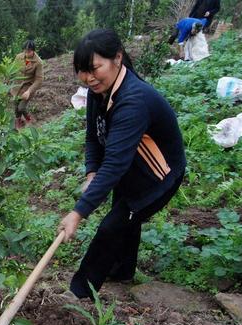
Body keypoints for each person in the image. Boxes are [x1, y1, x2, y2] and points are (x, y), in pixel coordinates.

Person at [58, 29, 186, 299]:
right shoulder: (99, 91)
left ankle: (79, 294)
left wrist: (78, 212)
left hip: (157, 176)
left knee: (113, 226)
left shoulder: (133, 101)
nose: (88, 78)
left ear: (117, 58)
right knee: (126, 218)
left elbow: (115, 164)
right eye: (82, 71)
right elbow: (94, 136)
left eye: (94, 69)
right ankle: (122, 272)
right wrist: (92, 171)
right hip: (131, 167)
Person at [10, 40, 44, 130]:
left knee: (21, 108)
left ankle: (28, 119)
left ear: (33, 51)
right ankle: (18, 121)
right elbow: (12, 69)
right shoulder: (18, 57)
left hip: (27, 87)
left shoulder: (38, 62)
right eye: (25, 51)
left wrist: (29, 91)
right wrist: (8, 83)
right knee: (15, 106)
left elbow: (39, 80)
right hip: (16, 87)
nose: (26, 53)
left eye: (28, 51)